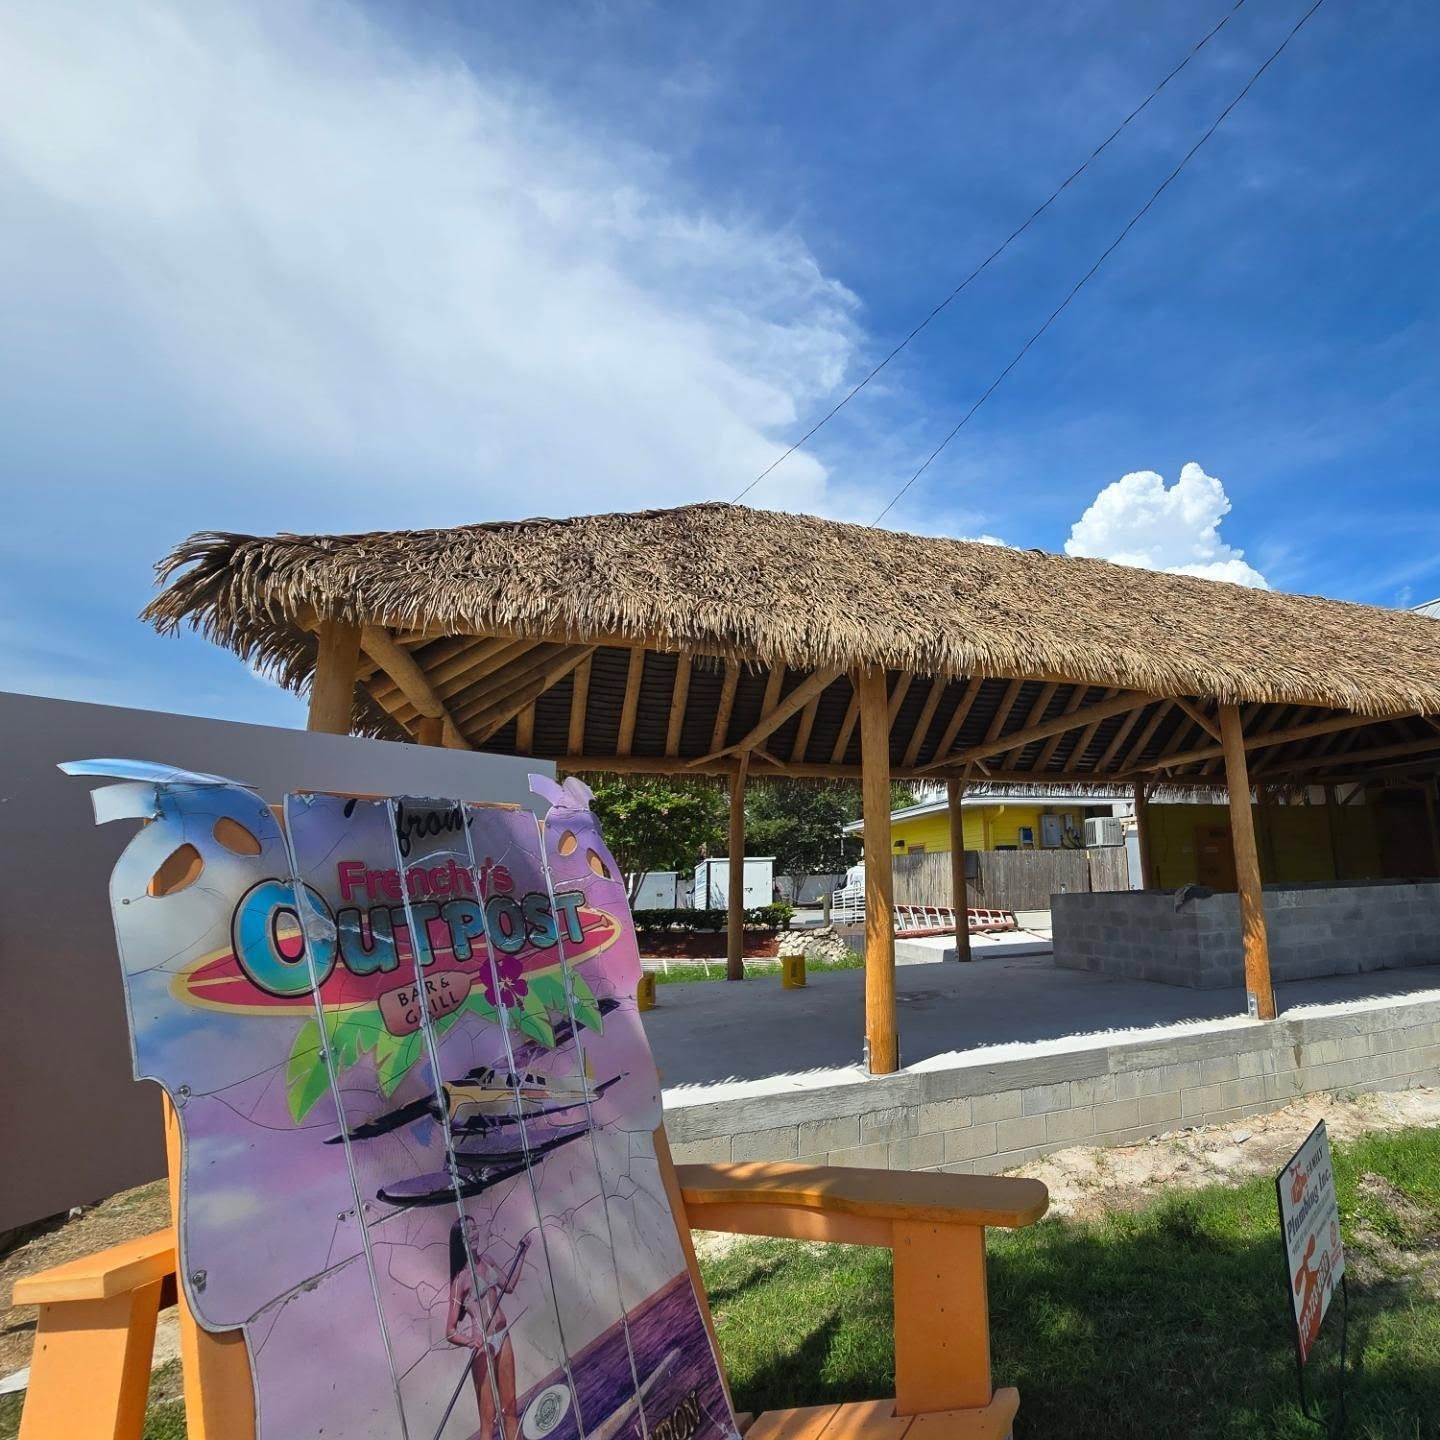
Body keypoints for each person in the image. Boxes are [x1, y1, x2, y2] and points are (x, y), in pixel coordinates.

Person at [447, 1216, 521, 1440]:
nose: (474, 1233)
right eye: (468, 1231)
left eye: (475, 1228)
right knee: (487, 1422)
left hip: (503, 1336)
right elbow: (450, 1330)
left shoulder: (487, 1260)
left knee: (510, 1410)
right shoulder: (460, 1281)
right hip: (483, 1347)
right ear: (460, 1240)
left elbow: (508, 1287)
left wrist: (522, 1253)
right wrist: (469, 1341)